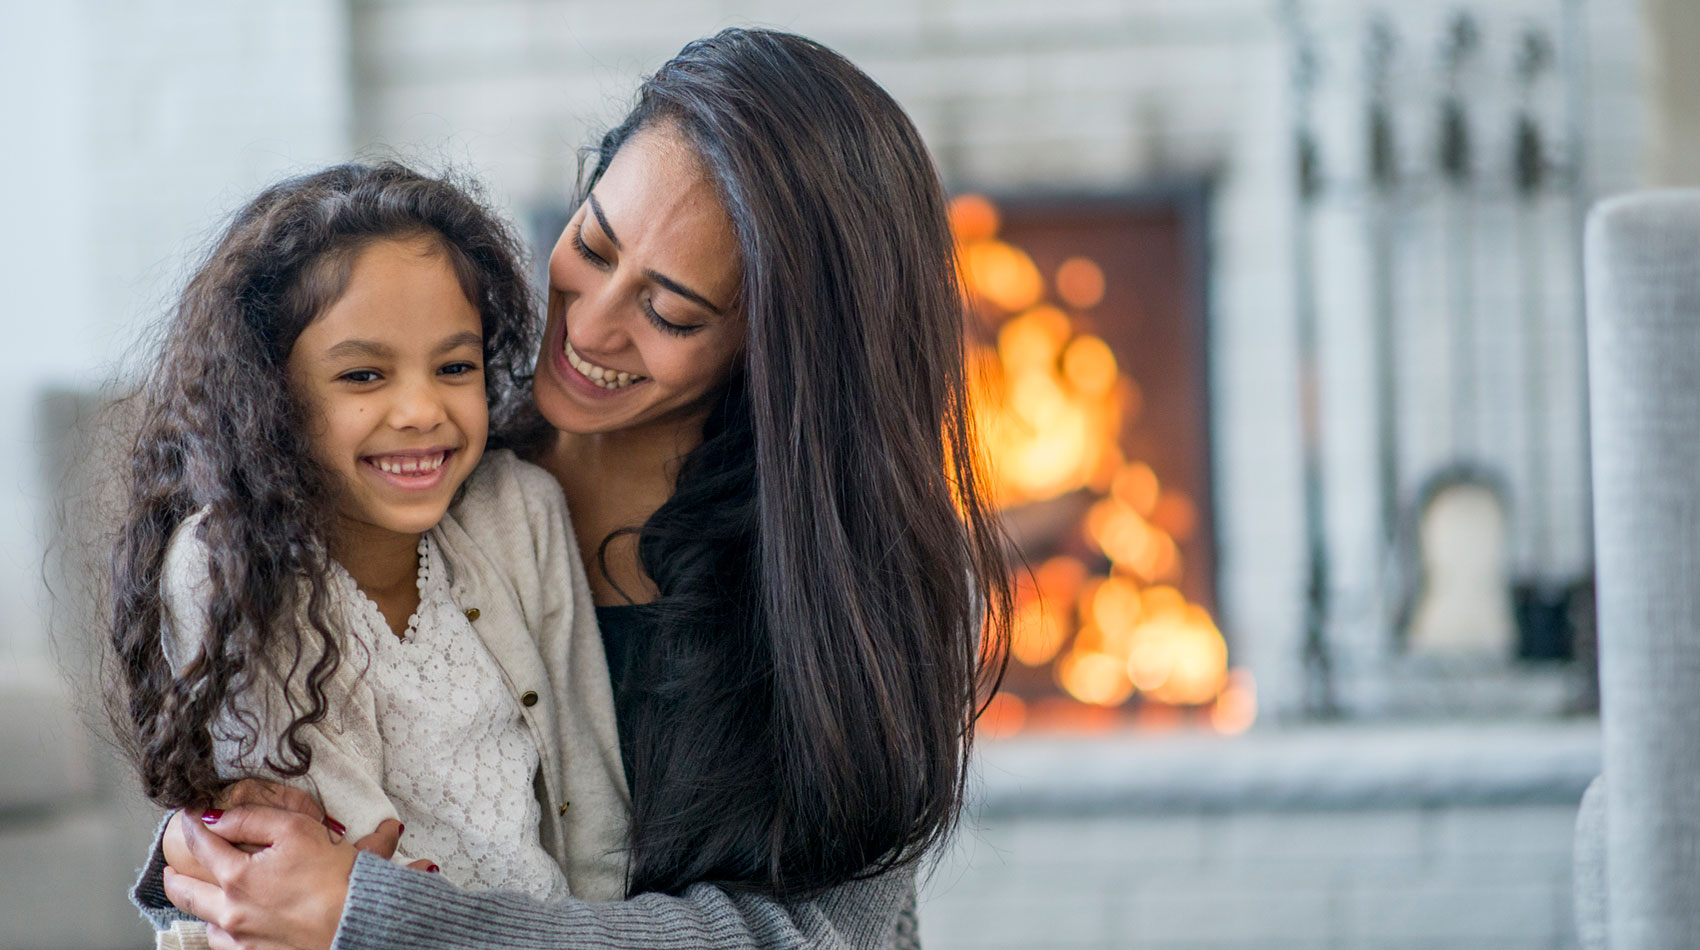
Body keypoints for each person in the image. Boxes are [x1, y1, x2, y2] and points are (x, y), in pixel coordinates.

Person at [136, 27, 1012, 950]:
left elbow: (804, 937)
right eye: (592, 246)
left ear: (779, 349)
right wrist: (221, 863)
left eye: (670, 310)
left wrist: (388, 917)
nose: (589, 326)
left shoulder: (857, 580)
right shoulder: (425, 471)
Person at [109, 163, 632, 947]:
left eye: (454, 367)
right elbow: (336, 872)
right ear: (270, 397)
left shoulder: (521, 510)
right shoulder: (225, 565)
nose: (422, 410)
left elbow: (592, 791)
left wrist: (603, 934)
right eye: (364, 375)